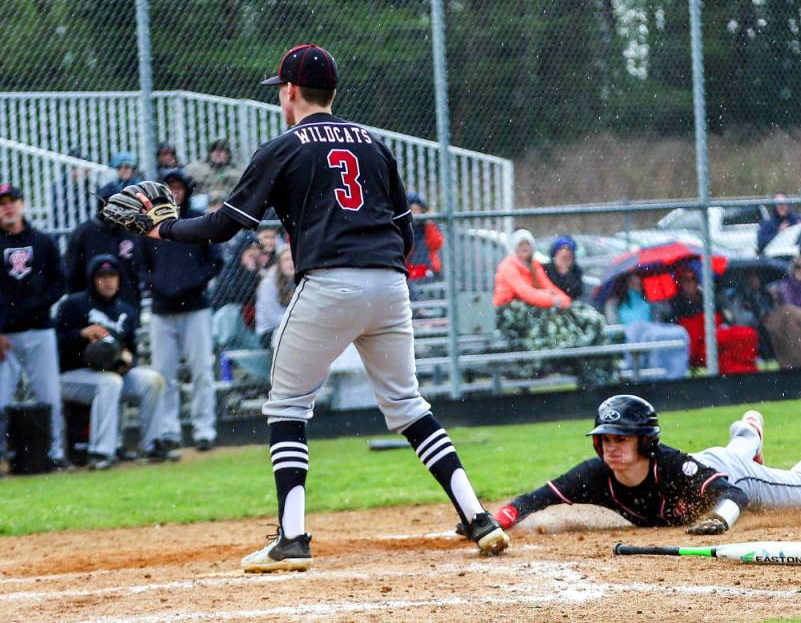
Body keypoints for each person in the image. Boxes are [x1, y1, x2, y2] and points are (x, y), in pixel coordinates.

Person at [114, 44, 509, 568]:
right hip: (391, 282)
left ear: (291, 91)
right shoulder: (373, 143)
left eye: (280, 88)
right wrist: (385, 268)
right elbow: (404, 225)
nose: (281, 96)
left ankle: (292, 537)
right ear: (333, 93)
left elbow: (224, 226)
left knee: (287, 406)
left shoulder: (284, 147)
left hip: (331, 282)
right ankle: (477, 516)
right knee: (408, 404)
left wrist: (163, 227)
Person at [492, 395, 801, 534]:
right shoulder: (595, 474)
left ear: (645, 441)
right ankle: (748, 432)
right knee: (736, 450)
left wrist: (722, 522)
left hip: (727, 474)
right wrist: (498, 521)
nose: (611, 449)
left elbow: (734, 494)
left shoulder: (670, 466)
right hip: (710, 464)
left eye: (621, 439)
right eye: (605, 440)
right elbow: (534, 499)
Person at [55, 255, 176, 468]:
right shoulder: (73, 305)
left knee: (153, 380)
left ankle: (152, 445)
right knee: (109, 382)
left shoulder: (126, 310)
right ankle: (101, 452)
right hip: (70, 377)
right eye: (101, 276)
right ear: (92, 280)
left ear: (119, 279)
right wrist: (81, 334)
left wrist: (127, 360)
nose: (108, 281)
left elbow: (131, 351)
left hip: (111, 375)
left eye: (112, 275)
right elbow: (55, 342)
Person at [140, 169, 223, 452]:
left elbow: (215, 260)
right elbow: (140, 265)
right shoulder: (150, 224)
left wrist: (192, 284)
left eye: (179, 187)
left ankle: (204, 429)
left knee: (201, 371)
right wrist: (156, 285)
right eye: (169, 187)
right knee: (164, 375)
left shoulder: (197, 222)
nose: (175, 192)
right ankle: (169, 430)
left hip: (196, 307)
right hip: (162, 310)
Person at [0, 183, 68, 468]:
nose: (8, 206)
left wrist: (37, 304)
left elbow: (60, 281)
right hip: (5, 337)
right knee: (0, 400)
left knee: (49, 395)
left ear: (23, 204)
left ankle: (55, 452)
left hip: (40, 330)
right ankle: (3, 455)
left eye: (13, 200)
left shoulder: (43, 241)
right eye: (2, 202)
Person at [494, 229, 614, 387]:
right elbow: (526, 293)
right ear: (514, 247)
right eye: (520, 244)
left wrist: (564, 302)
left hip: (532, 306)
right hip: (511, 311)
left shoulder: (533, 265)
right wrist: (553, 301)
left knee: (582, 315)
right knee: (551, 316)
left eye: (527, 244)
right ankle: (571, 353)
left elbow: (548, 287)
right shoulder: (508, 266)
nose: (524, 247)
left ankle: (586, 356)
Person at [65, 190, 146, 313]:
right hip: (92, 309)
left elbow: (141, 268)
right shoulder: (84, 233)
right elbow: (72, 275)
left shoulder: (131, 231)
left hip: (127, 304)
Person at [667, 267, 759, 374]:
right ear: (680, 283)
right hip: (698, 343)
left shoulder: (705, 299)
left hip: (712, 335)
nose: (690, 283)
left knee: (745, 335)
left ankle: (744, 372)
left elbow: (720, 319)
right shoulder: (676, 305)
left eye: (693, 279)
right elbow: (688, 334)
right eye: (686, 280)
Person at [603, 273, 690, 380]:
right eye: (632, 282)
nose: (637, 284)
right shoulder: (614, 303)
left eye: (638, 281)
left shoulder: (649, 301)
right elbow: (614, 330)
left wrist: (660, 292)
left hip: (649, 341)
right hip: (628, 341)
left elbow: (663, 315)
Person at [256, 246, 296, 347]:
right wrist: (298, 322)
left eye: (293, 259)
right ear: (279, 263)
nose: (290, 263)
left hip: (293, 326)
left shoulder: (301, 280)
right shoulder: (268, 283)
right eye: (286, 260)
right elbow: (272, 317)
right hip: (270, 331)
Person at [405, 193, 443, 281]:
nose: (415, 213)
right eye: (412, 209)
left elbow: (435, 245)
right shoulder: (404, 227)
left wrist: (429, 223)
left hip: (427, 270)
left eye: (418, 209)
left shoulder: (428, 225)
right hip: (409, 270)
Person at [543, 235, 584, 301]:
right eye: (561, 248)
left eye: (568, 249)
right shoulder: (545, 268)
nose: (565, 252)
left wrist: (566, 273)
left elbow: (577, 293)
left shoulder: (576, 270)